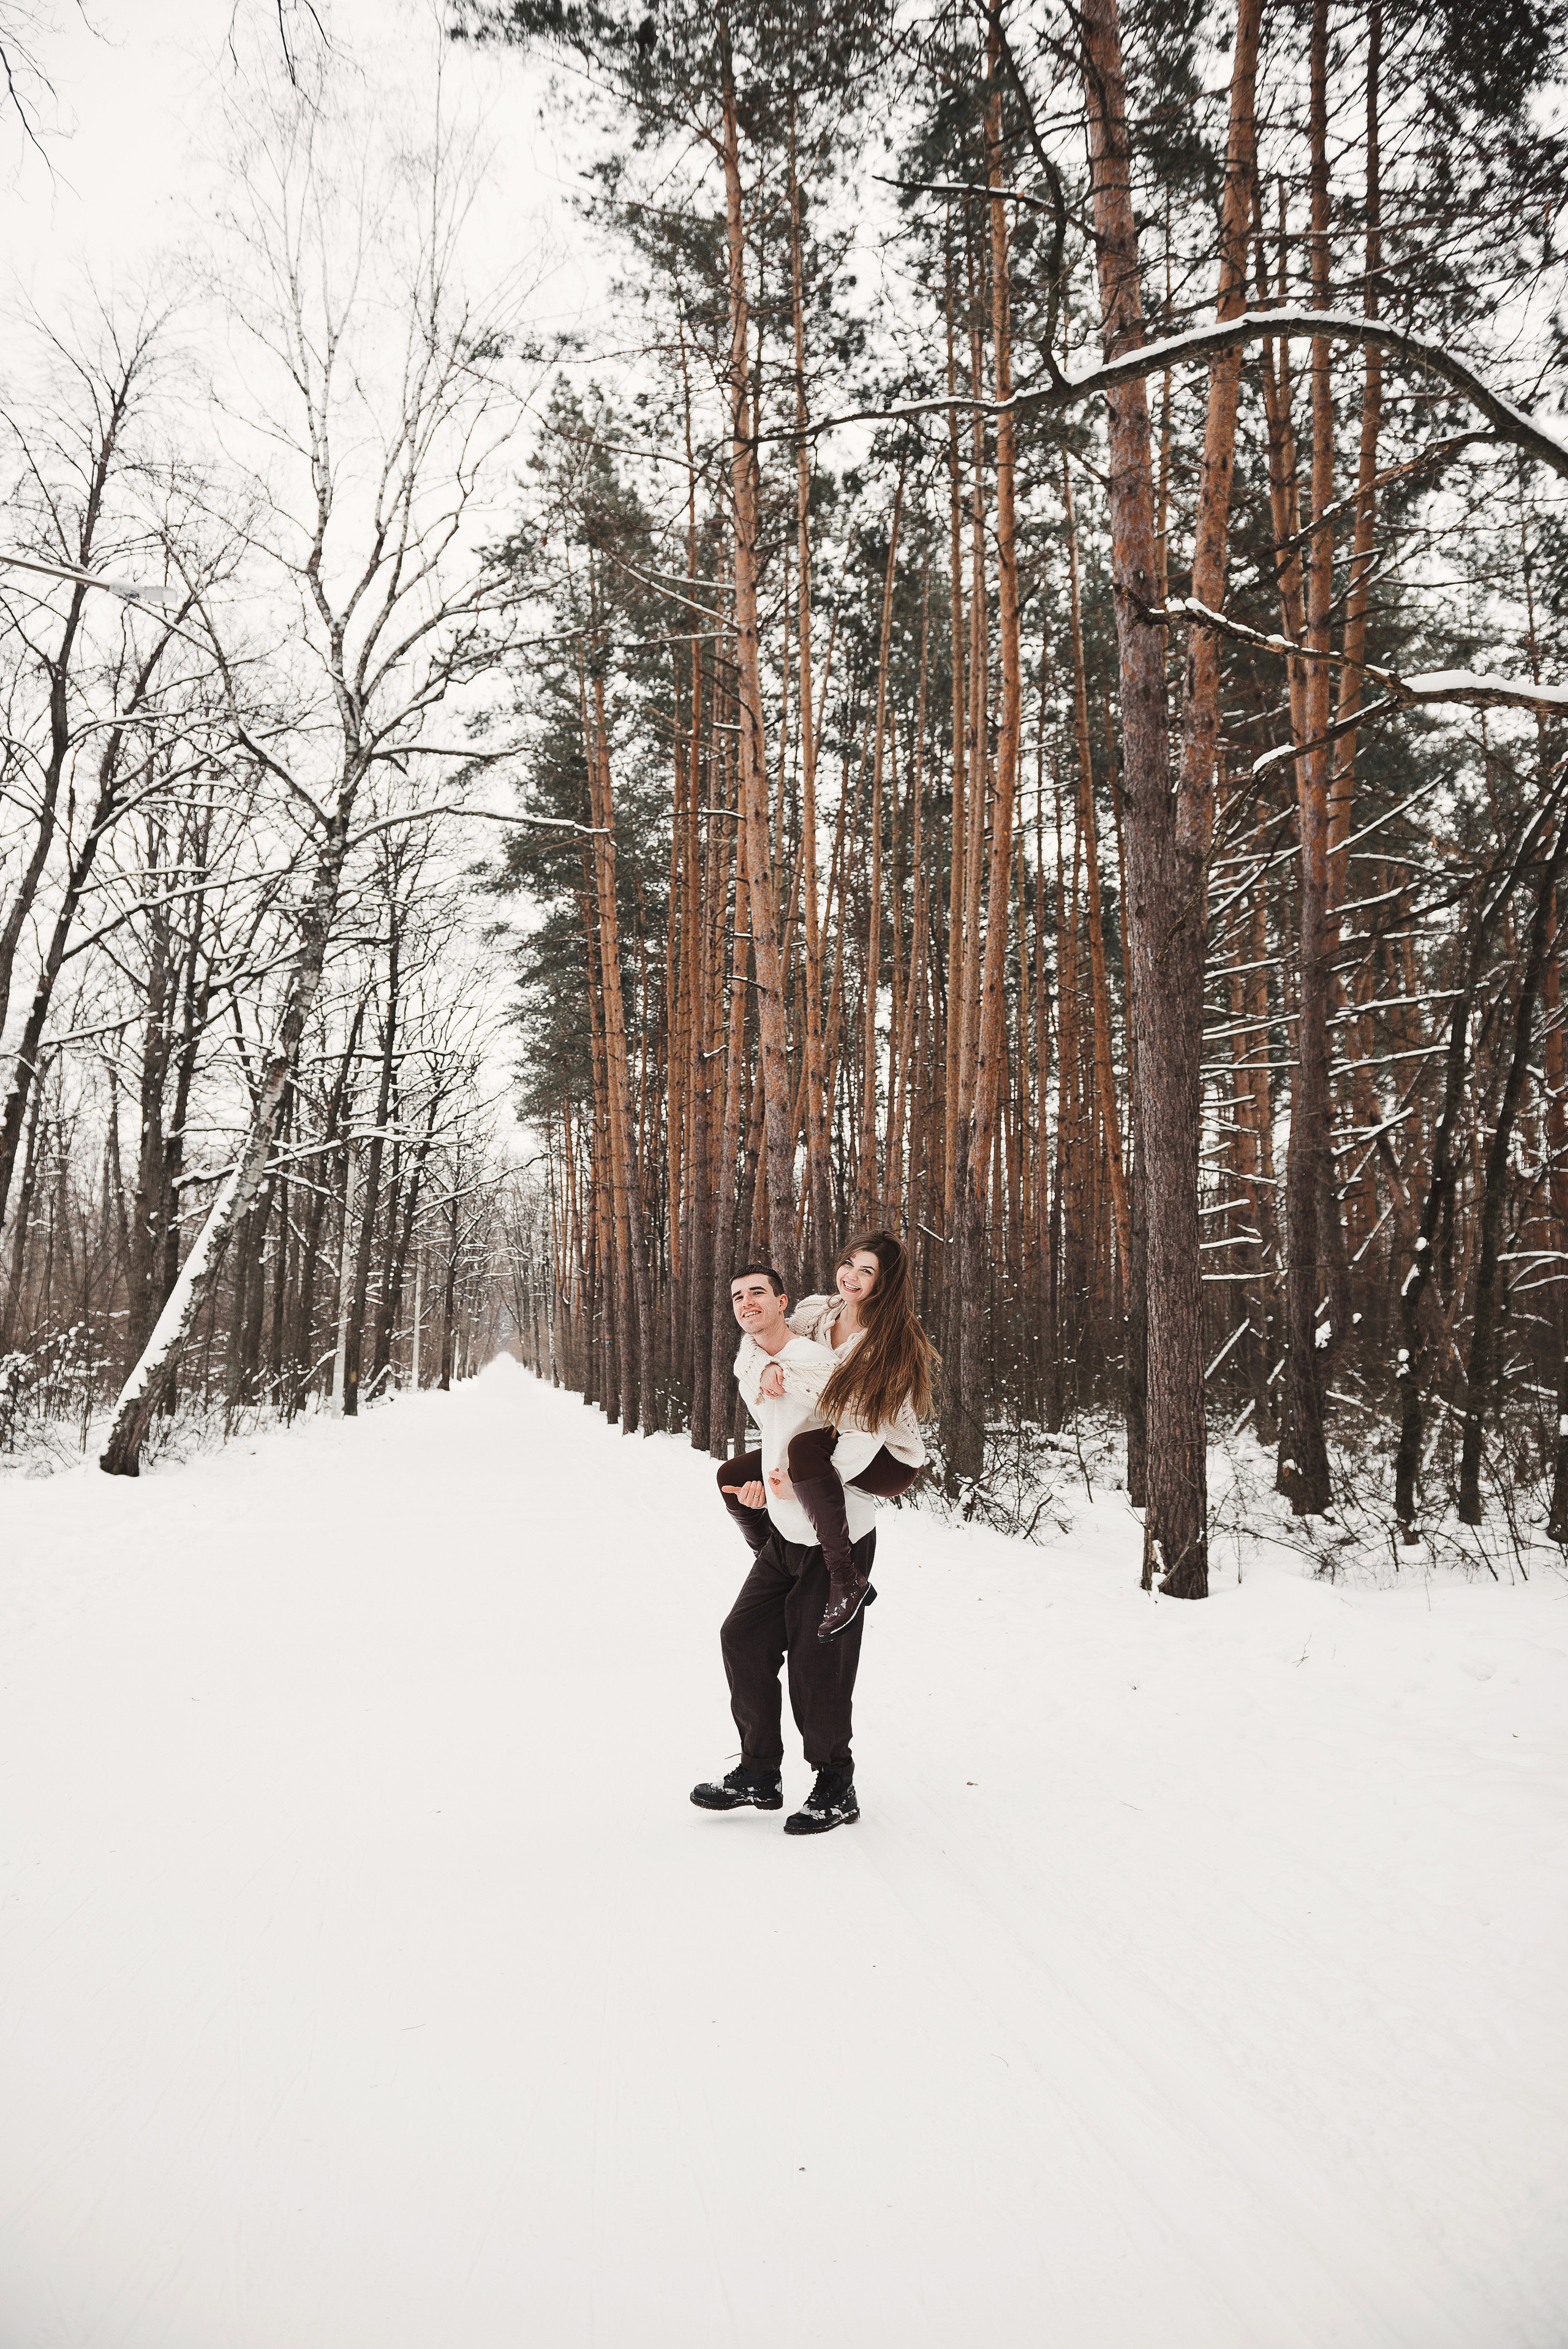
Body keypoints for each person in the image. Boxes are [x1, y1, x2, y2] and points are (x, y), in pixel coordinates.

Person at [689, 1235, 933, 1836]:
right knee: (741, 1637)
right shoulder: (812, 1319)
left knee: (816, 1668)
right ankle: (758, 1772)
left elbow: (864, 1428)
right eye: (848, 1262)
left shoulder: (882, 1347)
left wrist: (800, 1485)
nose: (852, 1276)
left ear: (886, 1283)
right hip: (788, 1532)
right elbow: (759, 1350)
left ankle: (835, 1785)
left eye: (867, 1271)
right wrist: (767, 1372)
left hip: (852, 1502)